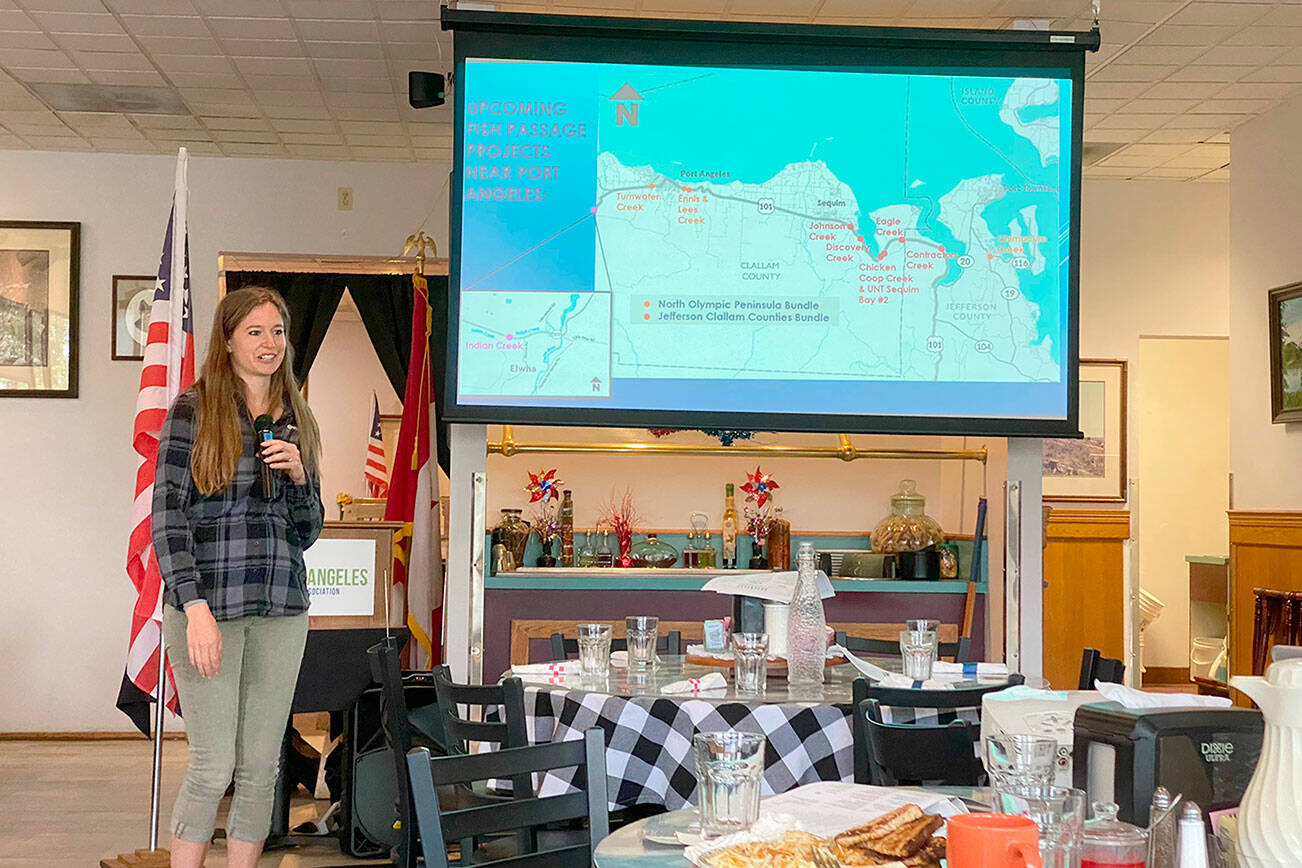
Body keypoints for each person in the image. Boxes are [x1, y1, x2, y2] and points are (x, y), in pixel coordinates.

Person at [152, 287, 324, 868]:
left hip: (280, 608)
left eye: (277, 332)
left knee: (260, 765)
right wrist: (193, 608)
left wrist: (300, 476)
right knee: (213, 763)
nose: (269, 344)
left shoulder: (296, 417)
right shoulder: (192, 410)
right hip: (208, 608)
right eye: (254, 332)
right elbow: (167, 519)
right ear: (228, 341)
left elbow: (307, 531)